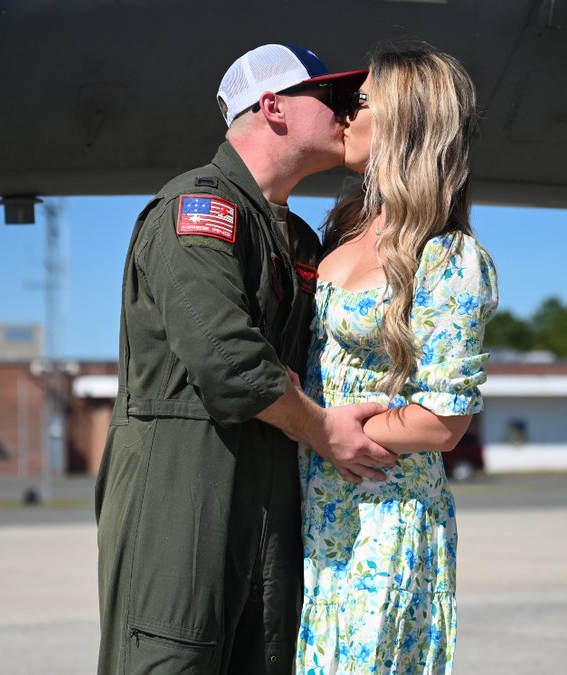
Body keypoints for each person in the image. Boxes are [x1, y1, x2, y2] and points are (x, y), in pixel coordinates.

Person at [95, 44, 398, 675]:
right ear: (274, 108)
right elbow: (228, 362)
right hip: (184, 487)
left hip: (269, 486)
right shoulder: (199, 210)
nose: (348, 112)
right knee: (174, 656)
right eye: (331, 97)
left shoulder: (297, 239)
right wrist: (320, 427)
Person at [295, 44, 498, 674]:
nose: (343, 116)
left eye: (359, 103)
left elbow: (443, 420)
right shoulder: (343, 229)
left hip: (381, 523)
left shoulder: (448, 257)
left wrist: (323, 433)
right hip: (310, 514)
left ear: (405, 122)